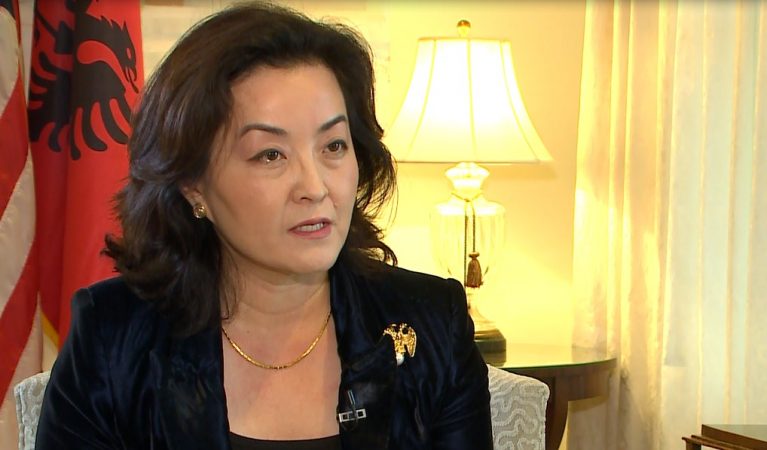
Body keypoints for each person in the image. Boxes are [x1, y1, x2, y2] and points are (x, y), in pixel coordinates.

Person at [35, 2, 492, 449]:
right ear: (193, 185)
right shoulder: (114, 338)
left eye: (333, 146)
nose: (314, 187)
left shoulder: (430, 326)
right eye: (271, 155)